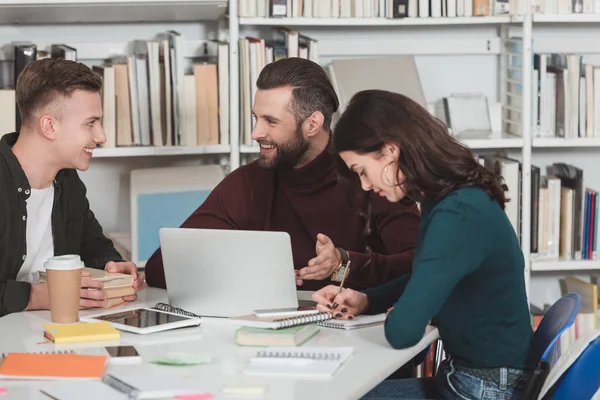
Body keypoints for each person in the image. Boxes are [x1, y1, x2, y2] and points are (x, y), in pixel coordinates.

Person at [312, 89, 534, 399]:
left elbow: (402, 331)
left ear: (390, 152)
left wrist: (404, 311)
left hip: (484, 387)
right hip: (482, 378)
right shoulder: (448, 198)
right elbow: (425, 279)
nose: (365, 185)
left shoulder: (457, 214)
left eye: (361, 171)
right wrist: (368, 300)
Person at [145, 58, 421, 292]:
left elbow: (421, 264)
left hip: (362, 338)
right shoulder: (248, 183)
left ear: (313, 123)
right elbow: (160, 268)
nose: (255, 133)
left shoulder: (368, 177)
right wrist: (250, 272)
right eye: (256, 118)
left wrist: (342, 264)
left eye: (271, 121)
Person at [0, 58, 146, 317]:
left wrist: (113, 266)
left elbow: (93, 246)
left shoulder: (67, 182)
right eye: (90, 123)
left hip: (48, 334)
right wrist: (35, 296)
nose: (101, 137)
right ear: (49, 126)